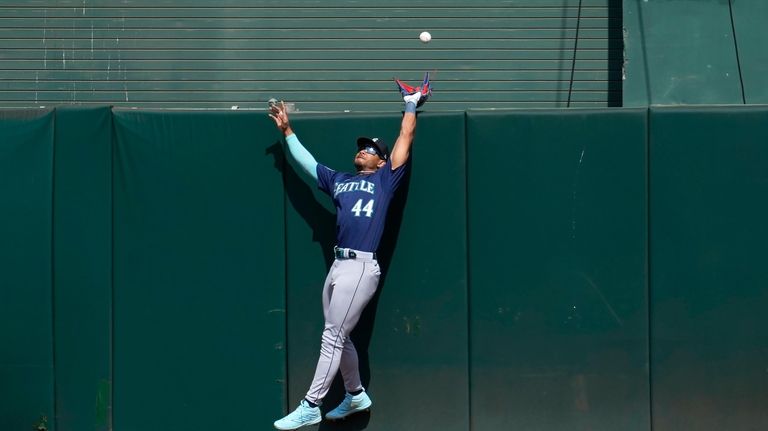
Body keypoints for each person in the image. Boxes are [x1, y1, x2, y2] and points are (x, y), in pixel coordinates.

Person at [269, 75, 430, 430]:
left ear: (381, 160)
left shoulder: (386, 179)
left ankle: (311, 404)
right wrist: (288, 132)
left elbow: (406, 137)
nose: (363, 150)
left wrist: (411, 103)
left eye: (370, 149)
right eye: (361, 147)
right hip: (338, 266)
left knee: (333, 335)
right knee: (337, 334)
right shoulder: (340, 179)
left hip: (361, 266)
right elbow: (309, 165)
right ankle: (355, 394)